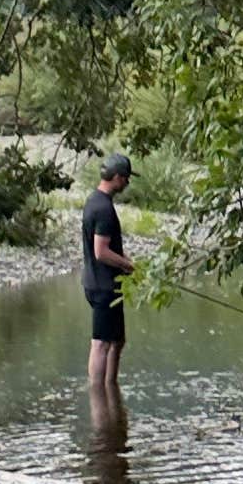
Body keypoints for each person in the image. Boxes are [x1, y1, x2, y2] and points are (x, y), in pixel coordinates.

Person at [80, 151, 136, 404]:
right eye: (125, 178)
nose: (127, 183)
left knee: (117, 341)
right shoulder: (102, 208)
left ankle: (111, 389)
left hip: (104, 284)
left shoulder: (96, 201)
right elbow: (101, 252)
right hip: (103, 286)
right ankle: (99, 397)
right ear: (115, 177)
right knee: (101, 343)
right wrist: (129, 265)